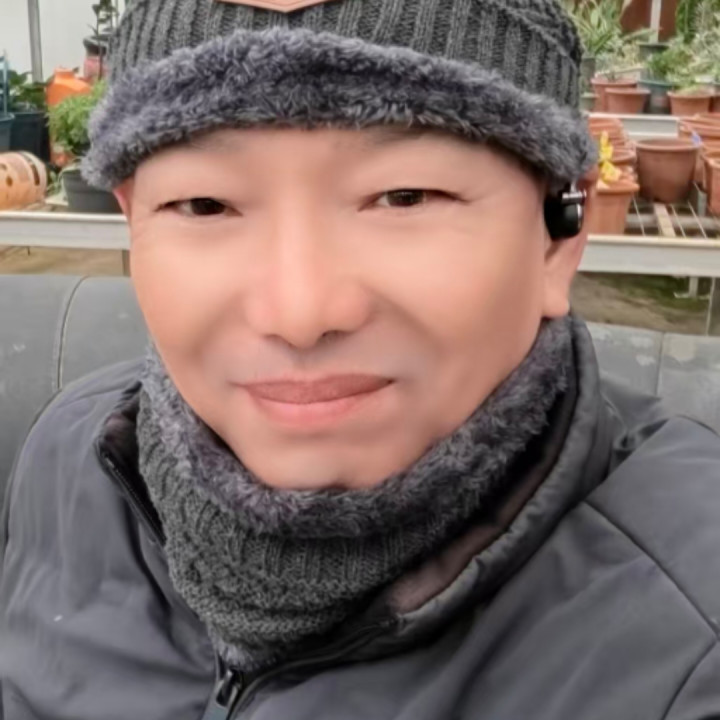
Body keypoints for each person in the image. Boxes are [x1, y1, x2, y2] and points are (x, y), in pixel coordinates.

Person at [2, 1, 720, 718]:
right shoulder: (75, 458)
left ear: (559, 235)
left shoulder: (692, 637)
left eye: (404, 197)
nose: (300, 315)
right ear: (132, 221)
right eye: (205, 205)